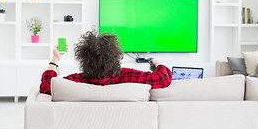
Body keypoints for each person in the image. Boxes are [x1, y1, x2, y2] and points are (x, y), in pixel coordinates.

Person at [40, 31, 172, 95]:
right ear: (115, 56)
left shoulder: (76, 80)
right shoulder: (128, 76)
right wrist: (157, 64)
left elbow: (46, 86)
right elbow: (162, 79)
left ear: (83, 59)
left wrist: (55, 59)